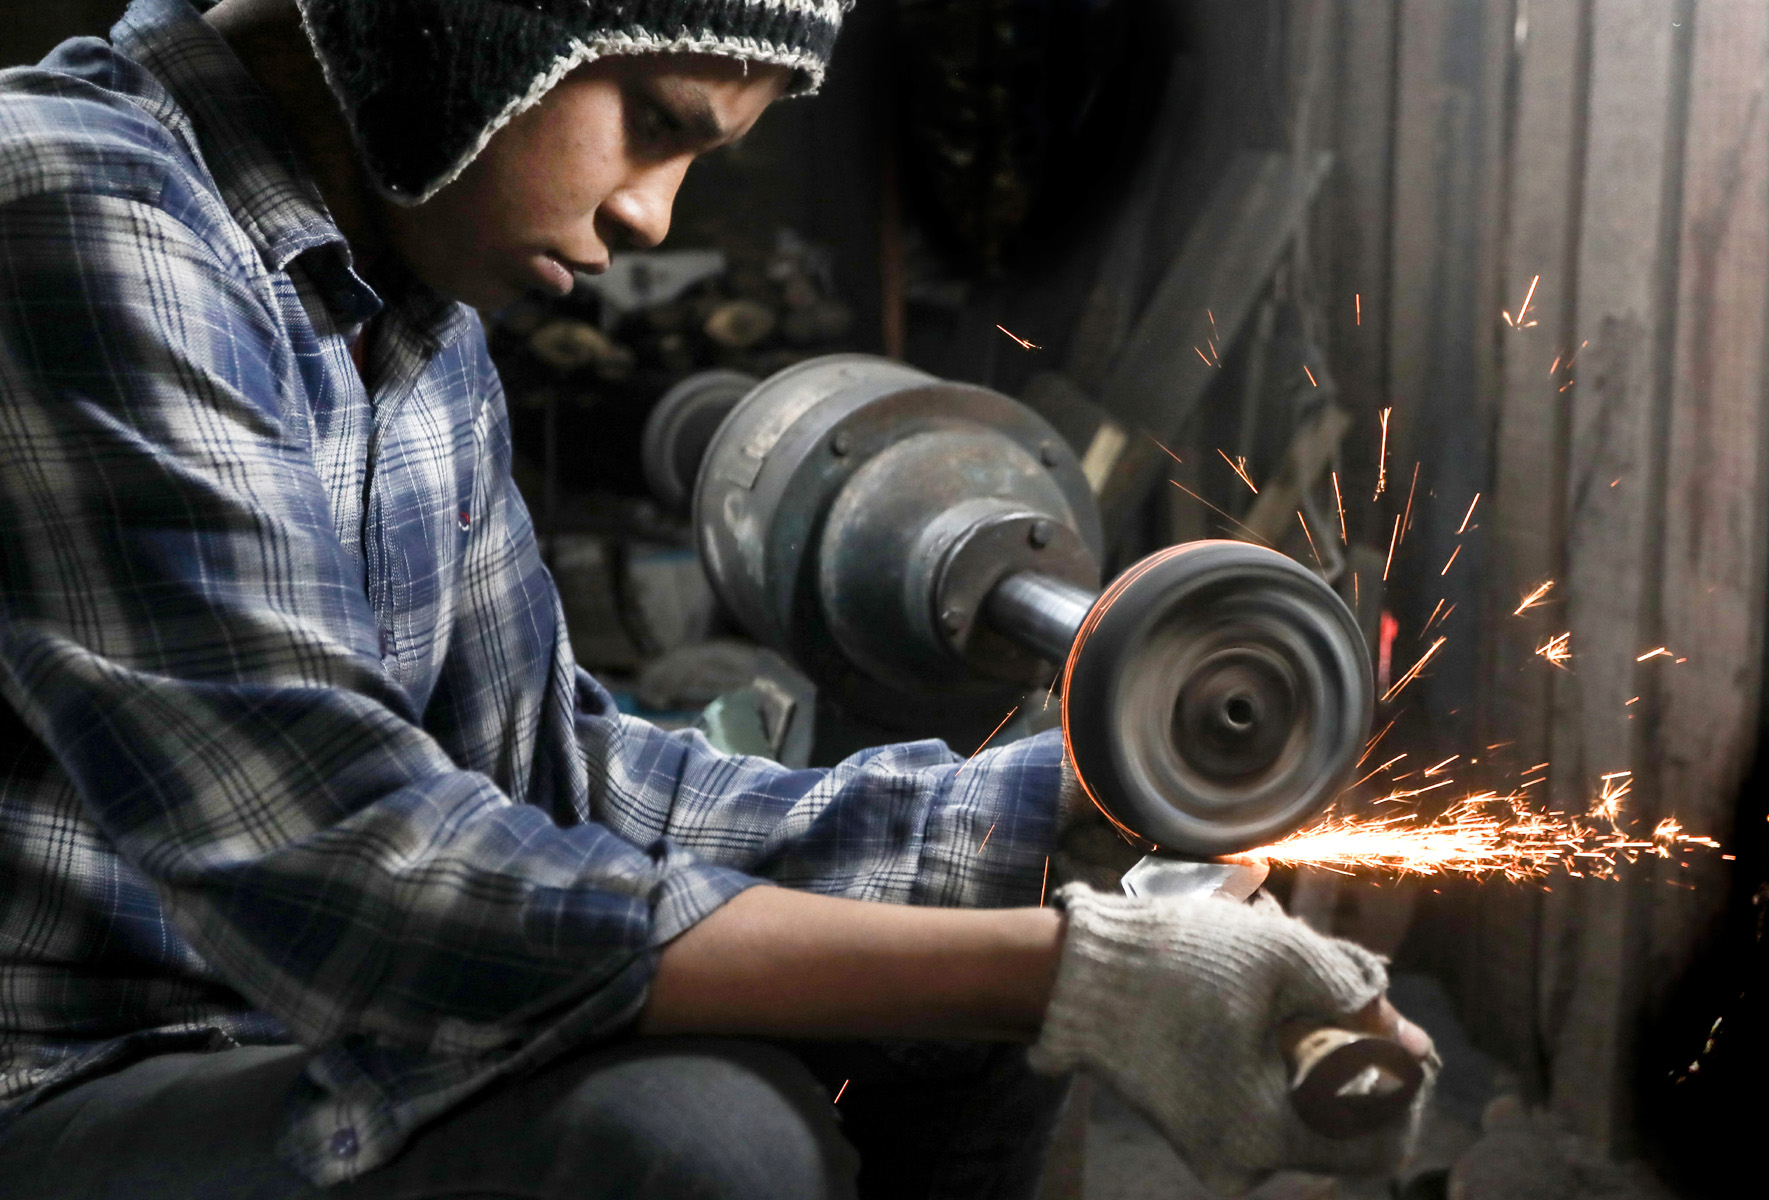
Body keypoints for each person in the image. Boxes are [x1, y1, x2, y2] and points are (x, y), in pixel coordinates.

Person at [0, 1, 1435, 1197]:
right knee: (695, 1141)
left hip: (294, 1038)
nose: (646, 212)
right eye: (653, 121)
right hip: (80, 1081)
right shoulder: (77, 210)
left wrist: (1036, 818)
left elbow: (557, 785)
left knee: (962, 1014)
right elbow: (365, 879)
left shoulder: (416, 318)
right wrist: (1083, 979)